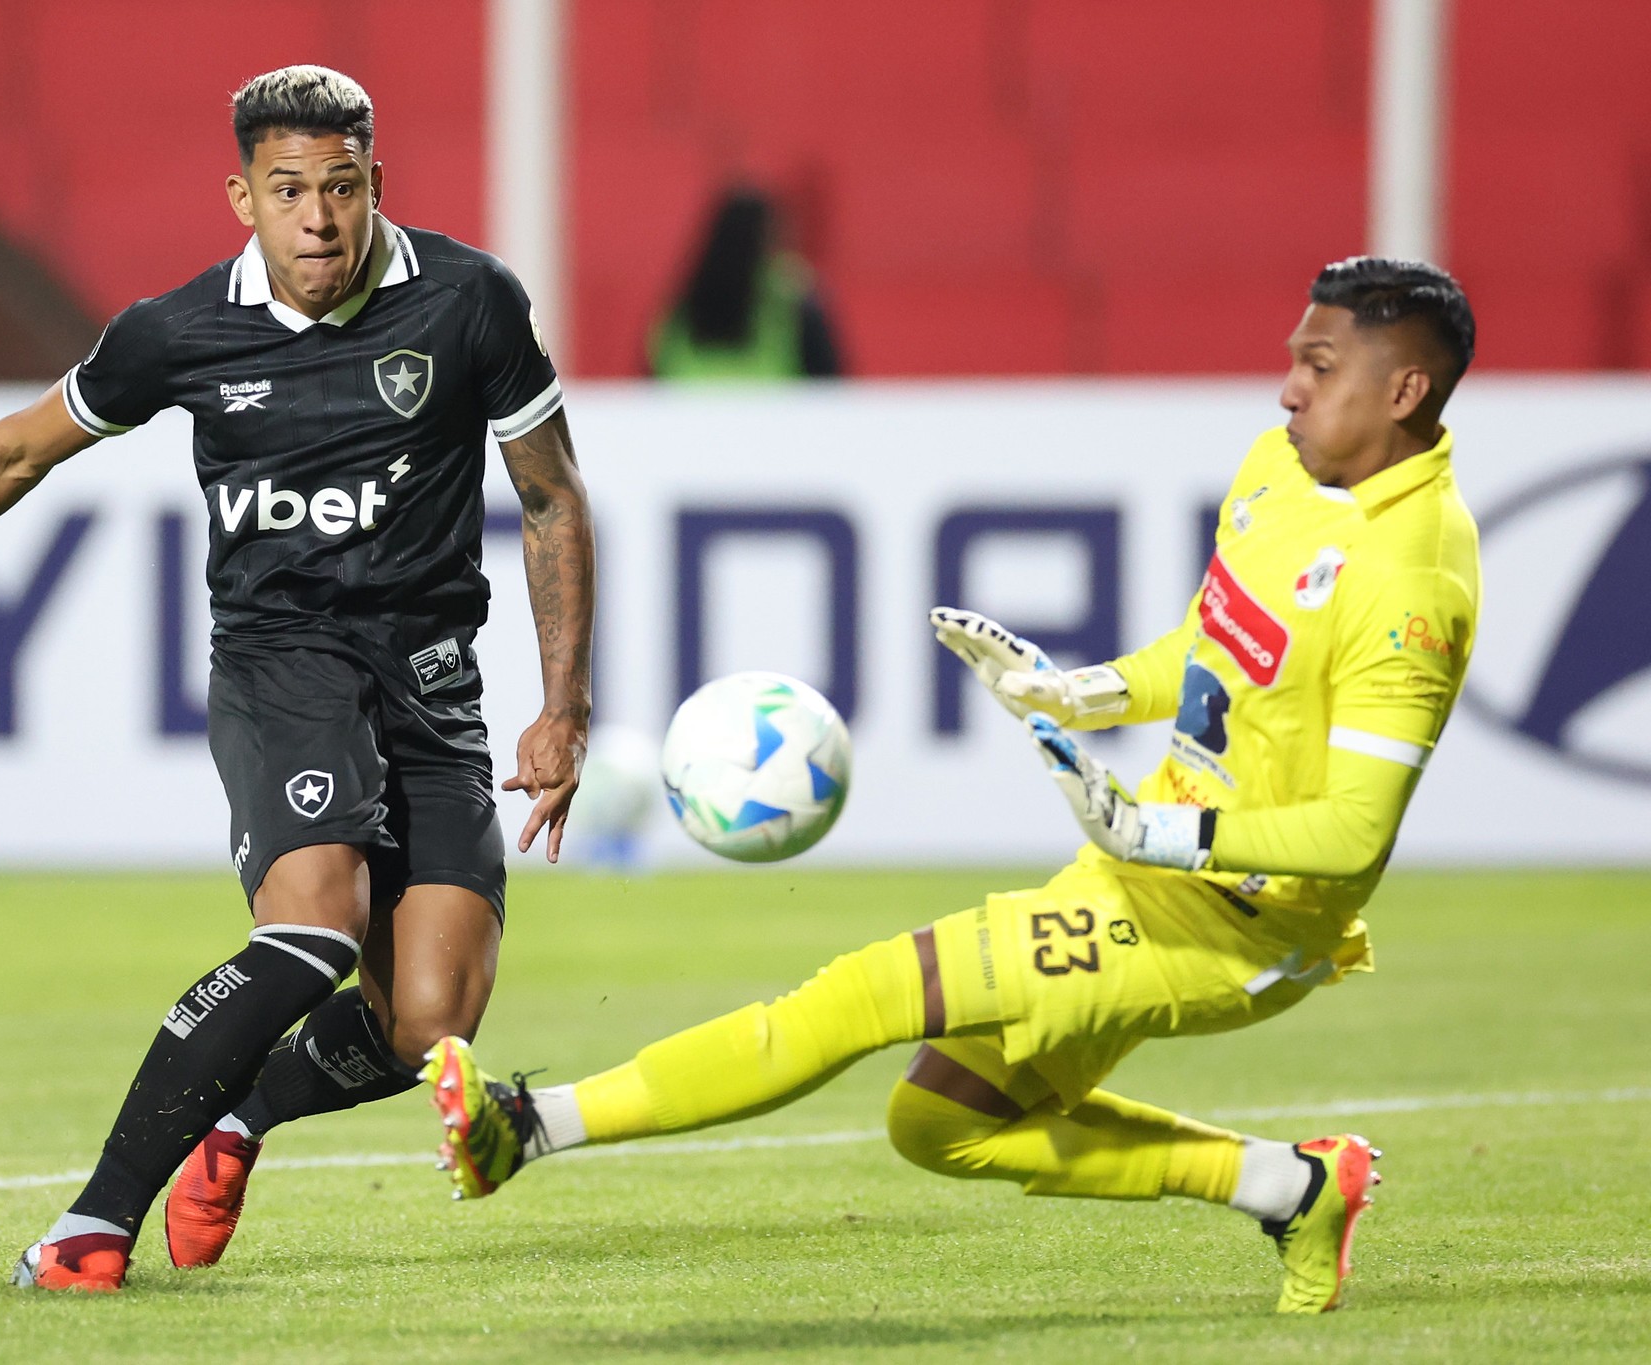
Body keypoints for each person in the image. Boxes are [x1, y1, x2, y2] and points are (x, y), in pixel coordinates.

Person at [425, 258, 1478, 1316]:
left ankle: (525, 1125)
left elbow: (1353, 833)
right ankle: (1293, 1186)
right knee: (941, 1123)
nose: (1289, 389)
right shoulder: (1281, 468)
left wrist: (1149, 830)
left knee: (859, 996)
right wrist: (1080, 692)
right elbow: (1218, 641)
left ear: (1402, 391)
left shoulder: (1413, 581)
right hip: (1139, 878)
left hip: (1239, 925)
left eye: (1319, 367)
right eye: (1295, 359)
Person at [0, 65, 595, 1293]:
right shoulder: (178, 332)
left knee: (429, 1025)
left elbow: (550, 497)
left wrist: (562, 705)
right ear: (241, 198)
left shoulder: (469, 300)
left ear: (377, 182)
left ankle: (242, 1113)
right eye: (288, 191)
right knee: (314, 926)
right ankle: (89, 1224)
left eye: (340, 187)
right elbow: (18, 453)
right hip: (282, 663)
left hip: (430, 680)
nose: (317, 219)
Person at [649, 188, 842, 380]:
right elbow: (828, 385)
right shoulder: (794, 301)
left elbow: (652, 377)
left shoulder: (678, 311)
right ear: (770, 240)